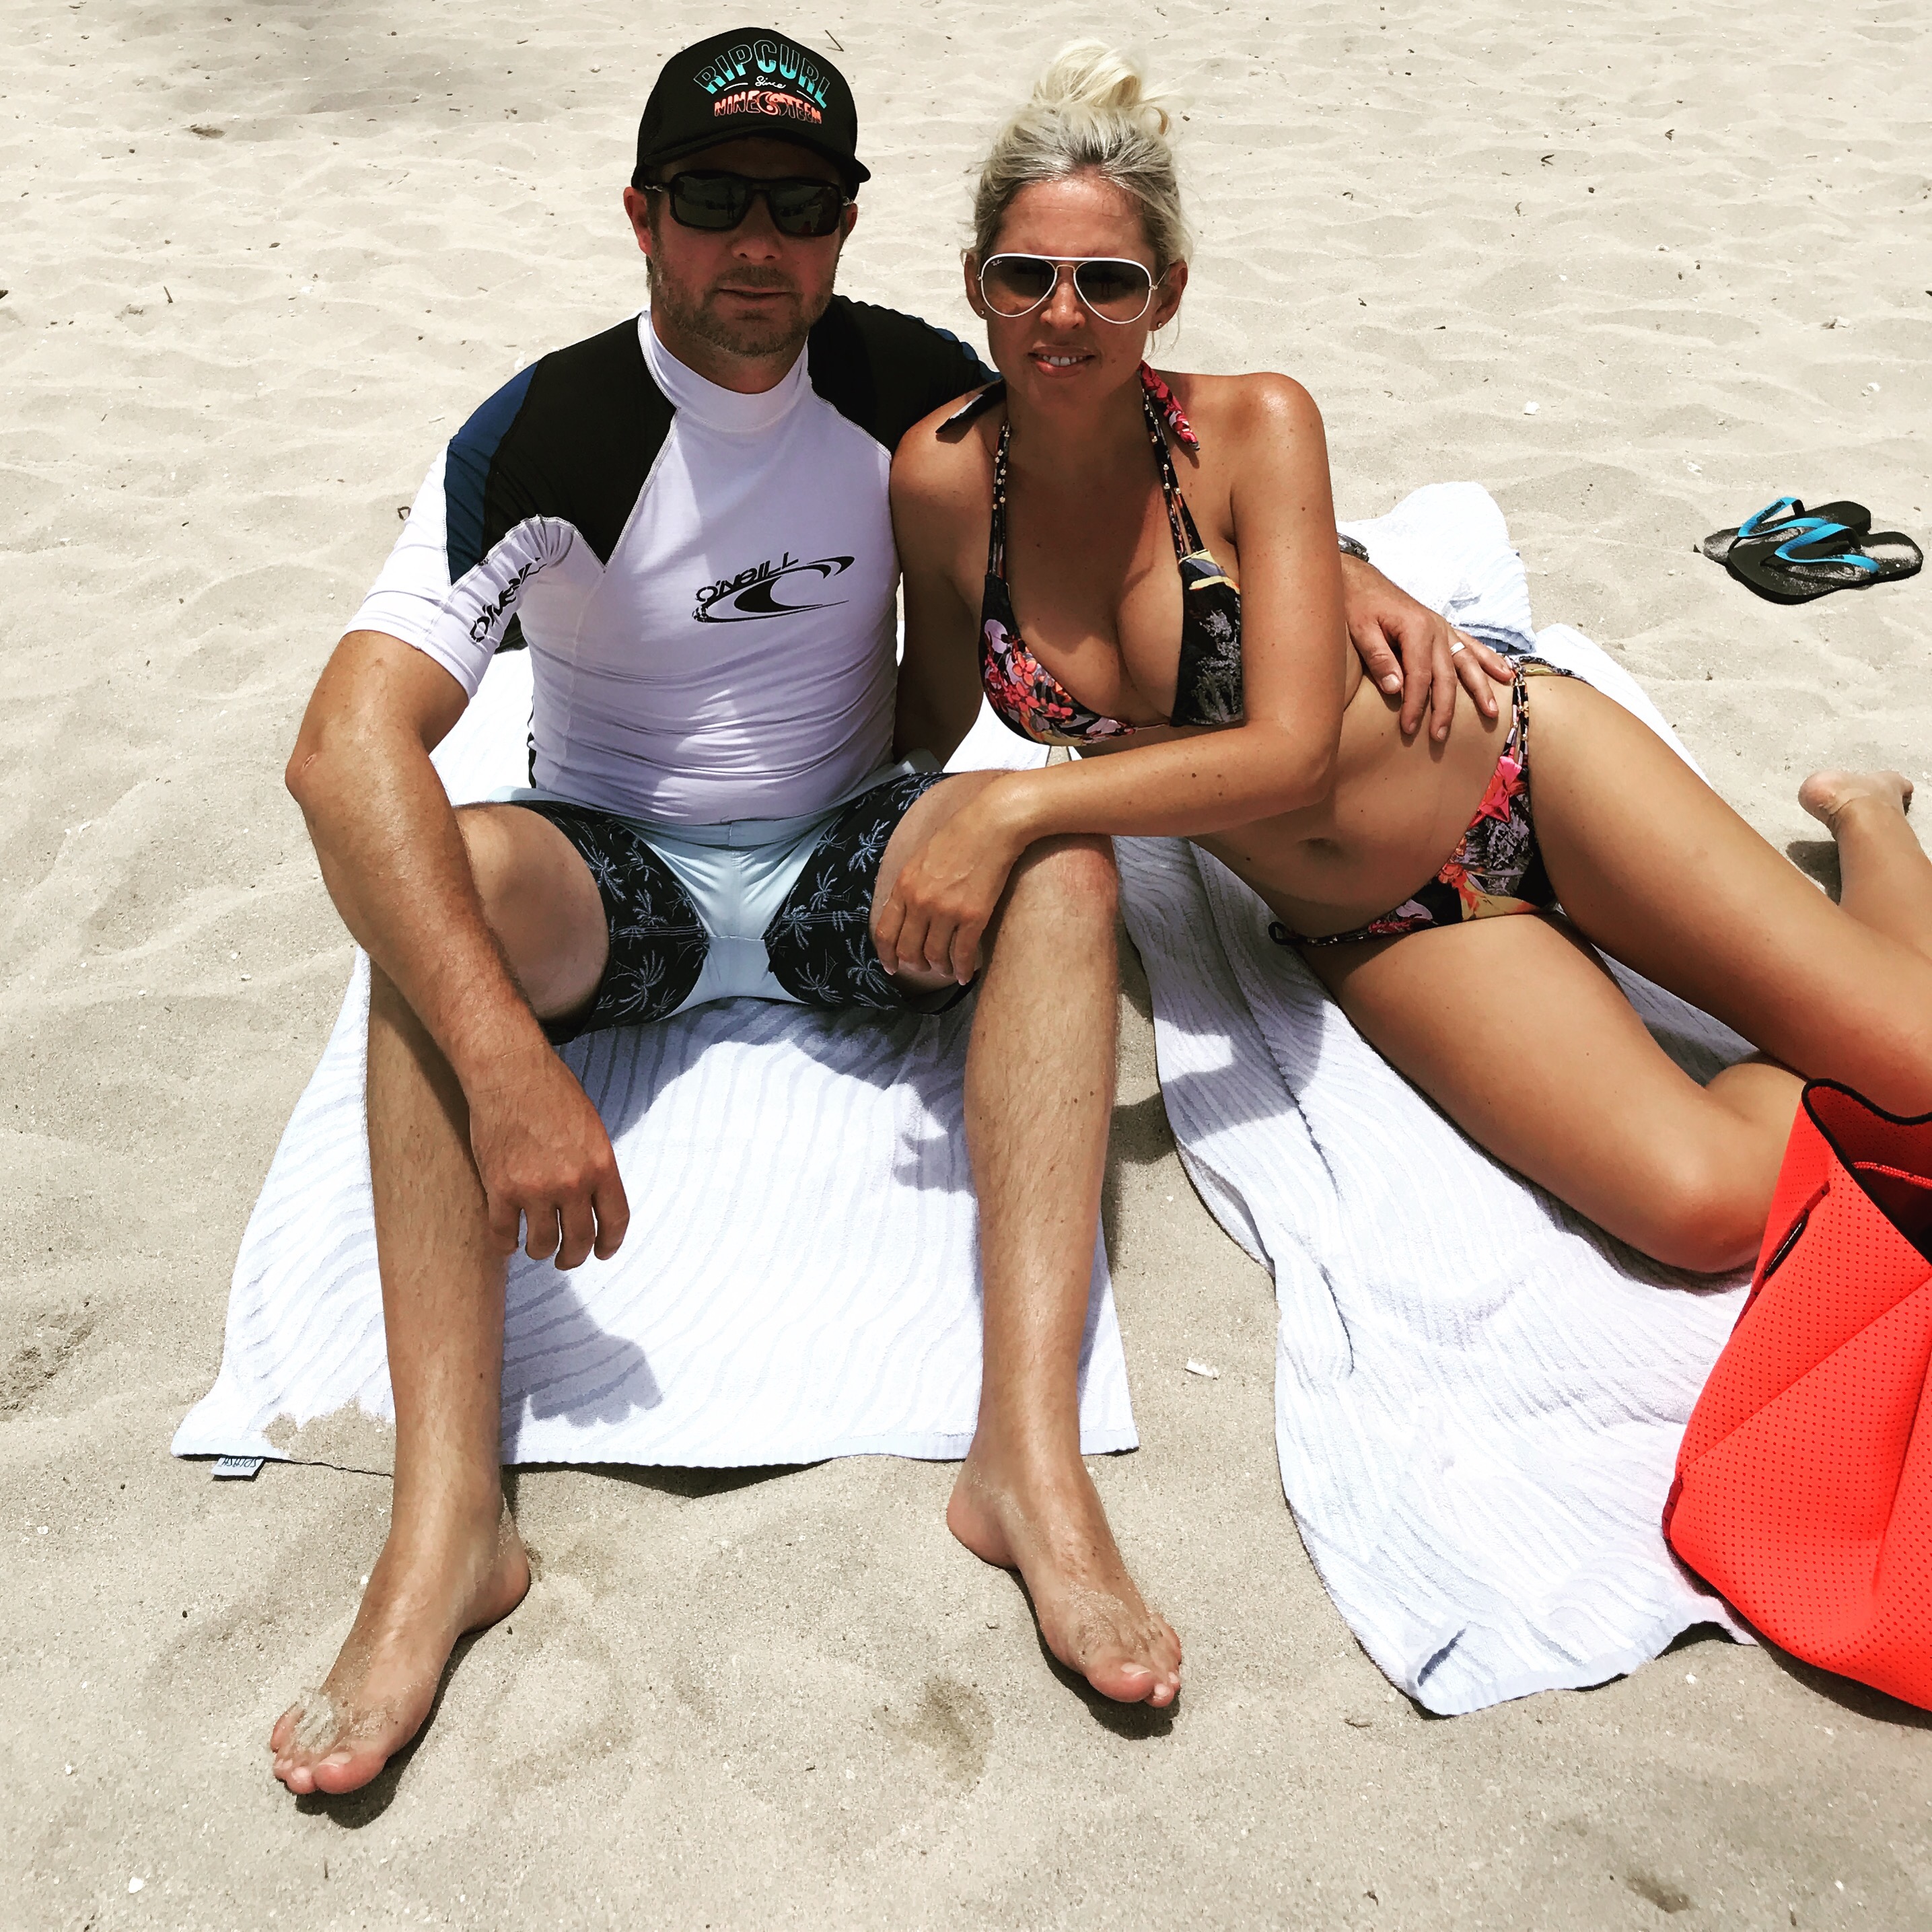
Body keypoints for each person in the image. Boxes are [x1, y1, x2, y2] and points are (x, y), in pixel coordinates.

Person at [269, 29, 1502, 1794]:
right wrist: (504, 1057)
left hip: (851, 853)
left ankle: (1026, 1464)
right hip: (618, 869)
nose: (754, 246)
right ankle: (448, 1523)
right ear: (640, 213)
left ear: (846, 227)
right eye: (713, 199)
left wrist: (1358, 565)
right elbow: (341, 750)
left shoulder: (906, 388)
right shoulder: (548, 430)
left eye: (800, 207)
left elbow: (1128, 424)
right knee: (426, 898)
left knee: (1060, 861)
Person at [886, 45, 1932, 1286]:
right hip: (1378, 923)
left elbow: (1290, 753)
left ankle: (1867, 820)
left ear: (1166, 293)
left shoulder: (1253, 426)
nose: (1062, 316)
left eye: (1107, 283)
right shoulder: (940, 481)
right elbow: (930, 723)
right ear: (975, 280)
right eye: (1025, 276)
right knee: (1699, 1214)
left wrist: (1018, 803)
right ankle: (1835, 1024)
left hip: (1528, 772)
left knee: (1921, 1076)